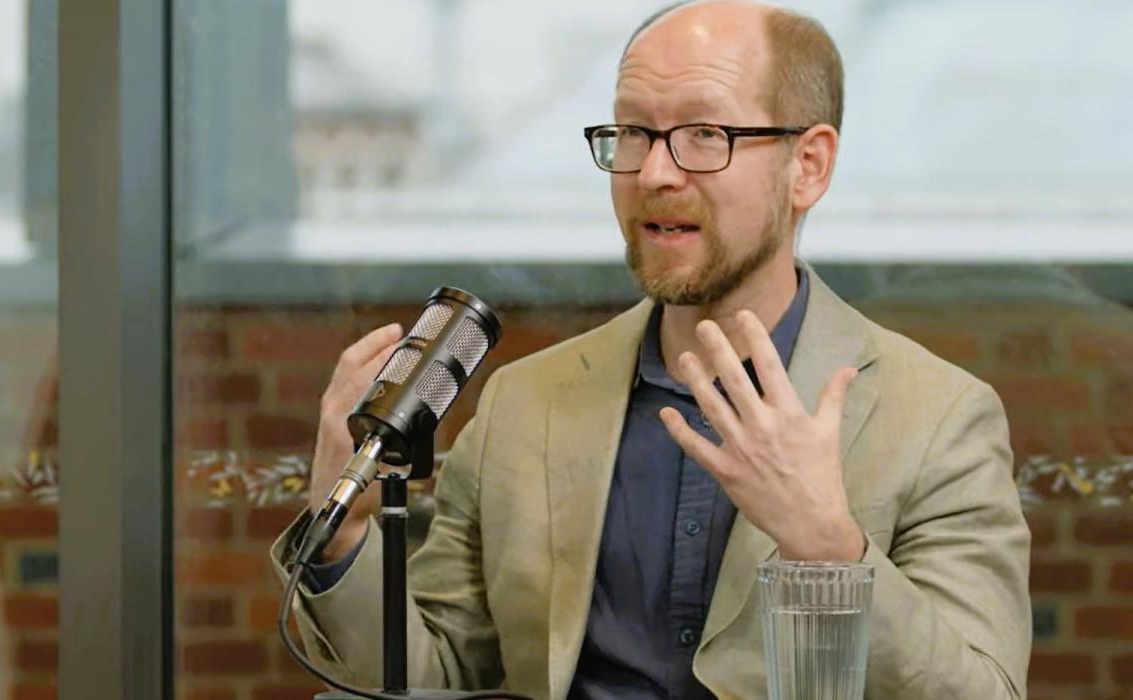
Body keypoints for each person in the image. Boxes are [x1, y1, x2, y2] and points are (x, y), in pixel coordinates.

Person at [270, 1, 1032, 698]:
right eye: (633, 132)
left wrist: (832, 548)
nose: (655, 173)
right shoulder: (524, 405)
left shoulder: (938, 418)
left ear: (809, 166)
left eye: (706, 135)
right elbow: (425, 674)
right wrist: (341, 530)